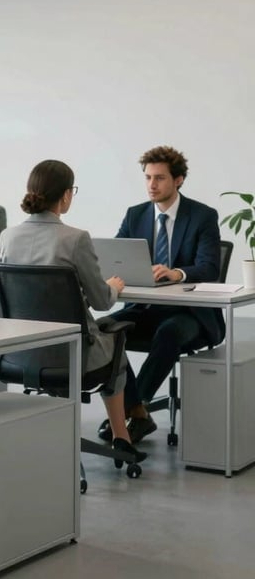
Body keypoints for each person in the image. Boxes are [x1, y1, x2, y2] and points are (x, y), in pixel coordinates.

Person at [0, 159, 145, 462]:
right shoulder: (76, 238)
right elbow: (103, 301)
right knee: (116, 341)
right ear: (66, 195)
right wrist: (114, 285)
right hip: (74, 356)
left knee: (104, 337)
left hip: (21, 354)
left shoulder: (7, 237)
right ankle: (121, 436)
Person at [98, 146, 223, 444]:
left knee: (168, 333)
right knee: (103, 329)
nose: (152, 185)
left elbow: (209, 268)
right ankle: (138, 413)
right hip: (145, 308)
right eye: (147, 178)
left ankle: (131, 406)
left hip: (189, 313)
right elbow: (115, 255)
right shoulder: (135, 214)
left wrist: (176, 273)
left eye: (160, 178)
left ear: (178, 180)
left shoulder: (202, 216)